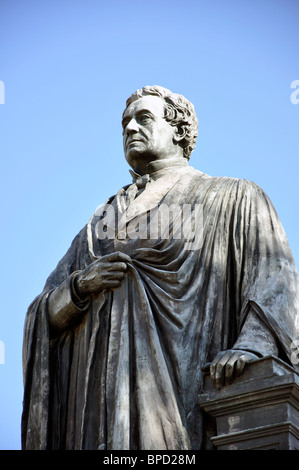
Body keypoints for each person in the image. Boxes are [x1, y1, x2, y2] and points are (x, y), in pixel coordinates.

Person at [22, 85, 299, 450]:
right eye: (125, 123)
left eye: (143, 118)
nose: (130, 128)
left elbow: (274, 281)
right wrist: (78, 288)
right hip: (97, 413)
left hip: (186, 397)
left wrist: (251, 347)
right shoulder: (99, 224)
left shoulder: (234, 197)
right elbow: (43, 312)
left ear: (180, 131)